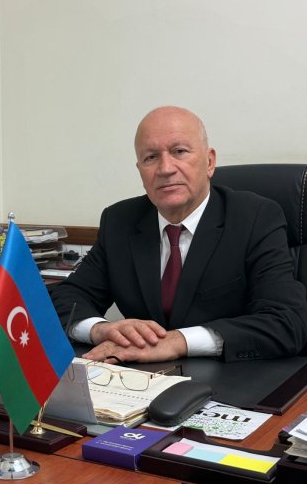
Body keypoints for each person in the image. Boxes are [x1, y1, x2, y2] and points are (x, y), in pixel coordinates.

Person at [51, 106, 307, 363]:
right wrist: (100, 329)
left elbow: (286, 322)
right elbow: (66, 299)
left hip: (232, 377)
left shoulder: (255, 218)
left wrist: (179, 341)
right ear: (140, 170)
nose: (165, 168)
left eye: (179, 151)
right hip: (141, 378)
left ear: (209, 162)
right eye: (151, 157)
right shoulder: (120, 221)